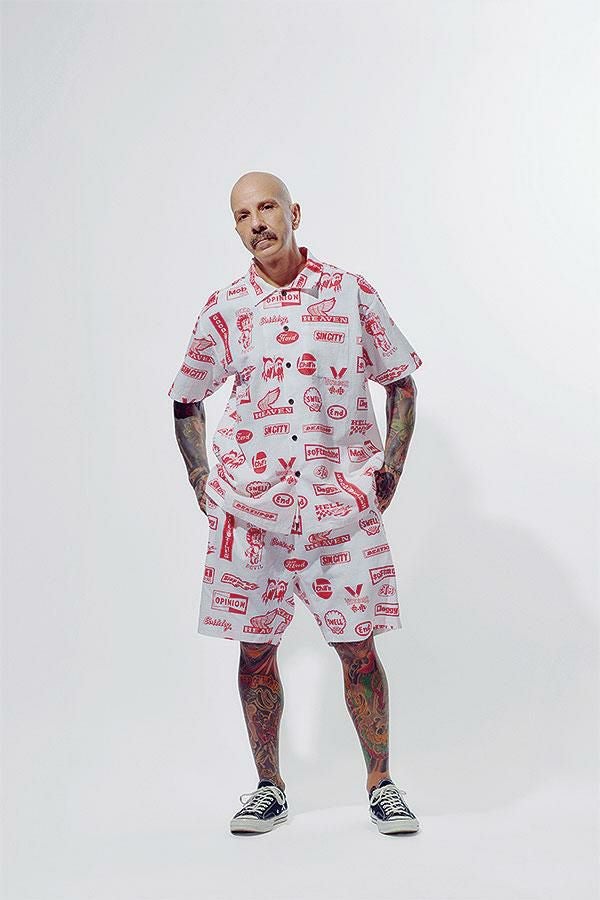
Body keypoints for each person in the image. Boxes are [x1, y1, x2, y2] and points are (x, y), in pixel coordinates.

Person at [168, 171, 423, 836]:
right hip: (252, 514)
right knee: (255, 651)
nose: (257, 223)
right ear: (236, 227)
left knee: (358, 649)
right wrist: (201, 478)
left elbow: (400, 380)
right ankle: (268, 788)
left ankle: (382, 785)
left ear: (294, 213)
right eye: (242, 215)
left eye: (267, 208)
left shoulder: (348, 293)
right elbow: (186, 396)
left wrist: (389, 471)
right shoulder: (226, 308)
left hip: (339, 507)